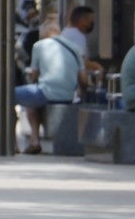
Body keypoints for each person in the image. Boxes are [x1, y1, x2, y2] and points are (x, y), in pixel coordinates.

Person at [15, 19, 84, 154]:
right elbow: (83, 78)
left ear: (46, 32)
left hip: (46, 92)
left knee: (7, 94)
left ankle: (13, 144)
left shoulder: (39, 46)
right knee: (31, 103)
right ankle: (34, 140)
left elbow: (34, 75)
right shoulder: (74, 47)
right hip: (69, 95)